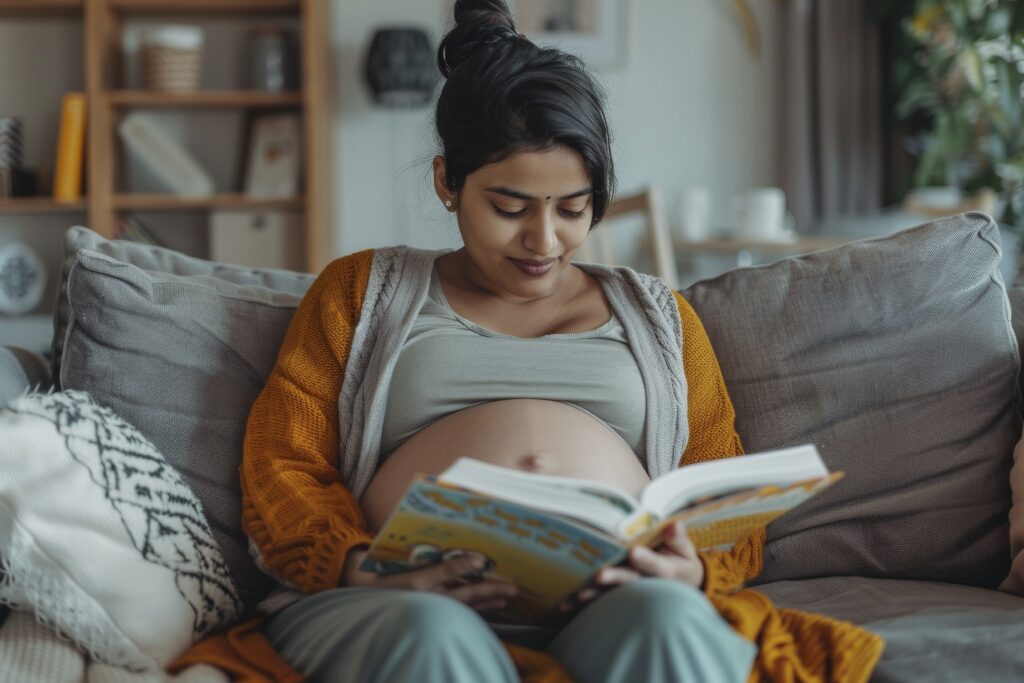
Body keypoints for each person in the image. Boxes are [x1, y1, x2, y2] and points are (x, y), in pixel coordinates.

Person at [234, 2, 883, 682]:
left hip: (610, 610)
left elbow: (719, 498)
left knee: (669, 623)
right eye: (509, 208)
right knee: (431, 635)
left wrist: (694, 566)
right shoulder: (358, 293)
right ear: (447, 183)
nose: (543, 242)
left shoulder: (661, 318)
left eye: (573, 209)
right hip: (399, 604)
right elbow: (281, 464)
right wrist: (355, 566)